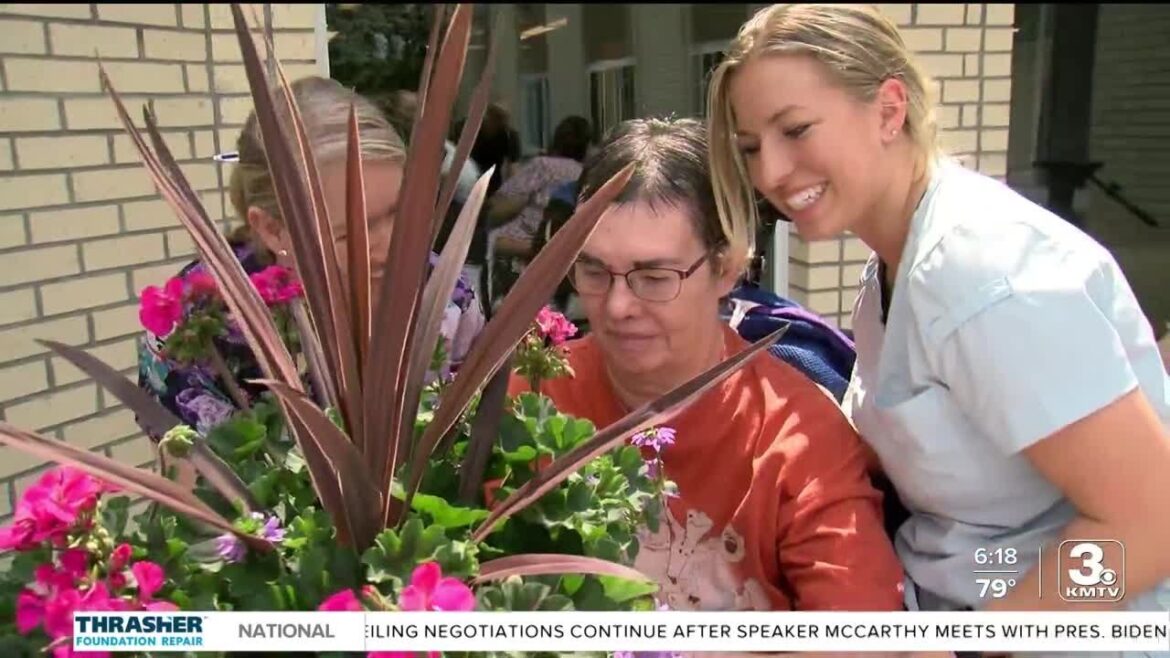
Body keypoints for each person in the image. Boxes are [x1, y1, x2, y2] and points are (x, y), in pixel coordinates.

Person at [706, 2, 1170, 626]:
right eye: (751, 146)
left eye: (795, 131)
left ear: (889, 109)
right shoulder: (896, 268)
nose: (770, 172)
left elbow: (1150, 523)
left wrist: (977, 641)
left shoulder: (983, 274)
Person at [508, 118, 905, 612]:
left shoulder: (797, 435)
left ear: (727, 269)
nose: (616, 307)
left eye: (654, 277)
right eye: (593, 271)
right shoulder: (529, 398)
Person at [137, 76, 485, 434]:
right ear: (272, 229)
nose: (395, 245)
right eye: (351, 231)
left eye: (401, 210)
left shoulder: (445, 294)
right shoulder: (200, 322)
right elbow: (185, 476)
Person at [483, 115, 592, 304]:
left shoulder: (542, 165)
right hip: (553, 248)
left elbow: (505, 201)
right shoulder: (585, 175)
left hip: (518, 243)